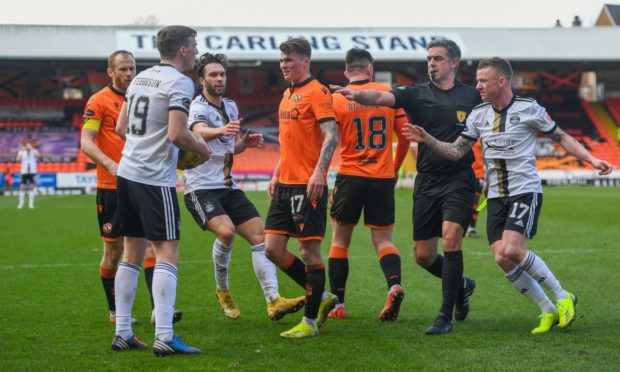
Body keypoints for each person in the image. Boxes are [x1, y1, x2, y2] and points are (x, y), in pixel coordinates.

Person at [402, 57, 613, 334]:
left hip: (524, 191)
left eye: (483, 81)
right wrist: (428, 139)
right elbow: (456, 151)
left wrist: (591, 159)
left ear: (501, 81)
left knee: (513, 249)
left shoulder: (530, 109)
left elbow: (561, 137)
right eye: (477, 80)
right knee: (502, 257)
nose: (477, 85)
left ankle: (563, 297)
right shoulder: (478, 114)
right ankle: (547, 310)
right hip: (497, 197)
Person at [331, 39, 479, 335]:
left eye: (438, 58)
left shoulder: (472, 97)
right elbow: (382, 97)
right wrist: (357, 95)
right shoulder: (415, 93)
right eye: (429, 59)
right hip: (427, 180)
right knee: (423, 255)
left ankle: (444, 316)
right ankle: (462, 285)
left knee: (451, 239)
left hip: (459, 180)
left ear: (454, 63)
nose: (432, 63)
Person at [183, 52, 305, 321]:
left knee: (260, 237)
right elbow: (200, 131)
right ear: (201, 78)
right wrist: (222, 130)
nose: (219, 78)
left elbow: (226, 148)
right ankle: (223, 291)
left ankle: (274, 300)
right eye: (213, 74)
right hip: (200, 187)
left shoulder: (231, 105)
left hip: (228, 186)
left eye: (222, 74)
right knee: (225, 233)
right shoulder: (197, 106)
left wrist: (242, 144)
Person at [111, 25, 210, 356]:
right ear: (182, 50)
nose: (196, 51)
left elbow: (121, 127)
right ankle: (165, 336)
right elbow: (177, 134)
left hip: (127, 173)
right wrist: (203, 148)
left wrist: (143, 148)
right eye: (194, 46)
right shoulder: (180, 81)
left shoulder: (140, 78)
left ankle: (123, 332)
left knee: (132, 253)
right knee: (168, 252)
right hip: (155, 179)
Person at [81, 50, 182, 326]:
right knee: (115, 251)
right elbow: (86, 141)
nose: (128, 74)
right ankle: (115, 310)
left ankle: (157, 310)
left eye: (132, 68)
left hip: (143, 181)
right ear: (110, 72)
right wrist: (110, 164)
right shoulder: (99, 101)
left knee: (151, 245)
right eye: (123, 69)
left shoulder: (142, 91)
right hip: (112, 186)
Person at [263, 38, 339, 338]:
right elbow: (290, 144)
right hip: (284, 184)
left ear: (305, 61)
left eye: (289, 60)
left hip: (308, 186)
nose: (283, 65)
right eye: (281, 60)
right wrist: (275, 173)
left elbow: (331, 135)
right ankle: (321, 298)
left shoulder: (317, 92)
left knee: (309, 252)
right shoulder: (287, 93)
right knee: (272, 249)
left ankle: (309, 323)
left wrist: (320, 172)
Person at [327, 48, 410, 321]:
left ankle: (338, 303)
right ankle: (394, 284)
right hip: (382, 177)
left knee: (340, 240)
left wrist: (324, 177)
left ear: (346, 71)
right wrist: (395, 169)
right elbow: (406, 138)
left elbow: (328, 141)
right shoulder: (388, 95)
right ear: (369, 69)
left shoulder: (338, 98)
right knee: (384, 240)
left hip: (351, 175)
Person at [466, 140, 485, 238]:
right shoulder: (464, 135)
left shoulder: (482, 138)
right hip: (464, 174)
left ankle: (471, 228)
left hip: (478, 175)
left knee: (475, 203)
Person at [16, 140, 39, 209]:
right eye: (27, 145)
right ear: (25, 146)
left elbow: (37, 155)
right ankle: (21, 203)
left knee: (31, 186)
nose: (28, 146)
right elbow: (17, 160)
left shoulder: (34, 151)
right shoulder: (21, 152)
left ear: (31, 145)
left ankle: (31, 204)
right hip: (24, 171)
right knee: (22, 186)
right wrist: (21, 152)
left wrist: (31, 149)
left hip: (32, 171)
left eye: (29, 145)